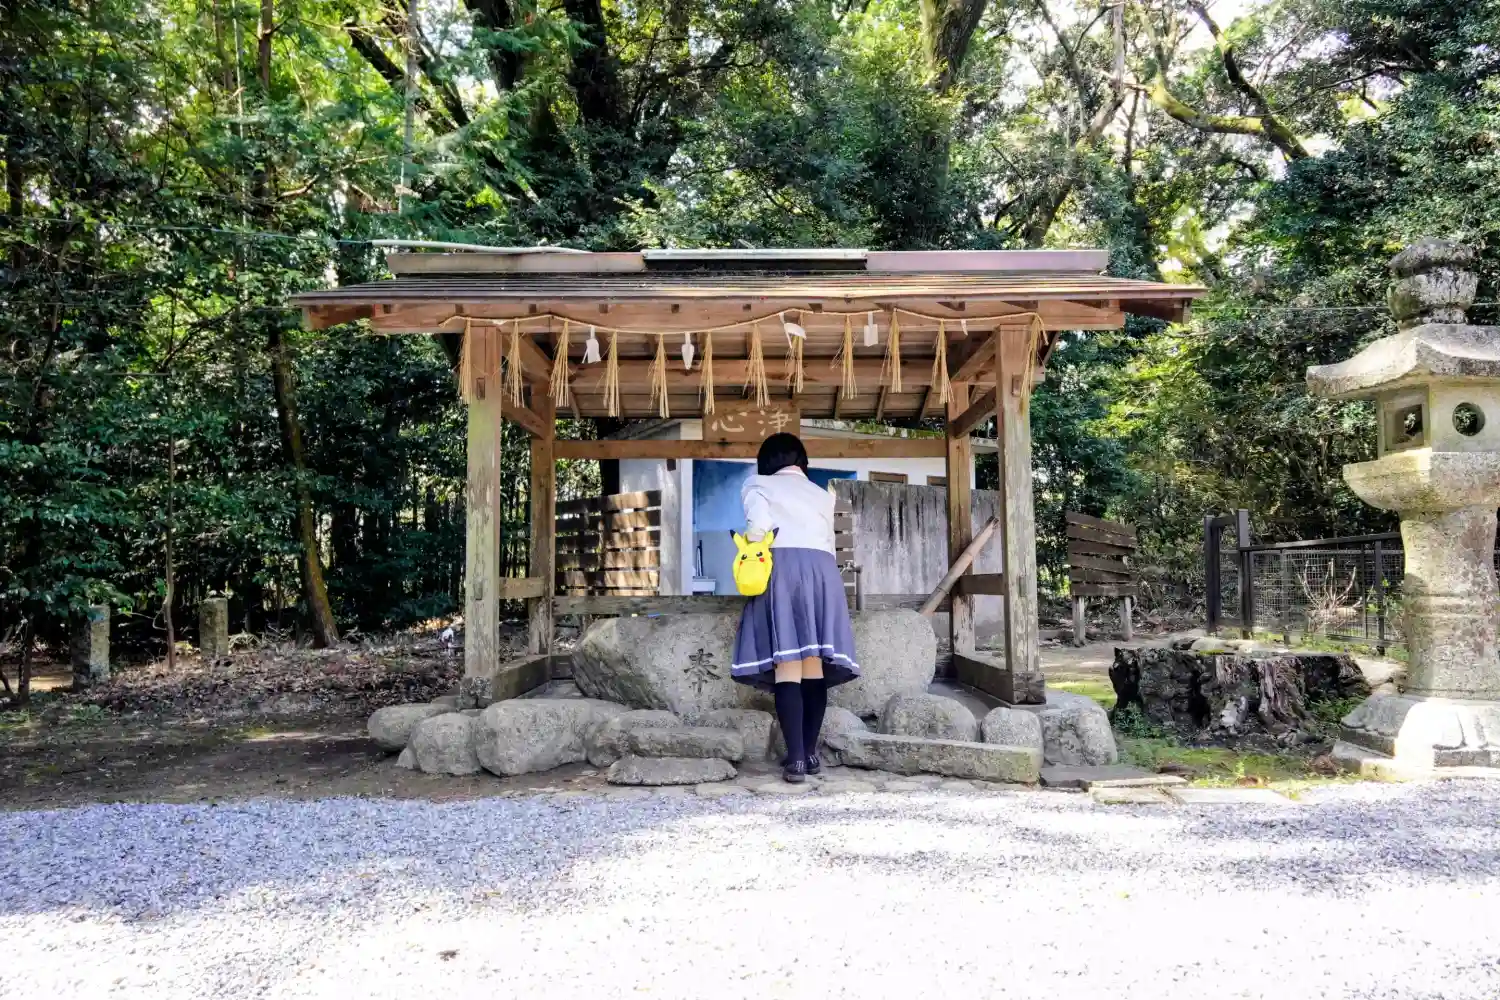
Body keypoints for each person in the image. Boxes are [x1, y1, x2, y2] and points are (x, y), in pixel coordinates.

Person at [730, 433, 860, 782]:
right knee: (813, 664)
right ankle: (811, 753)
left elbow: (757, 529)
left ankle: (797, 759)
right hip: (823, 573)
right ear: (802, 462)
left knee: (787, 665)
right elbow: (828, 541)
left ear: (767, 462)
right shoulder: (822, 495)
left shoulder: (757, 485)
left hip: (783, 569)